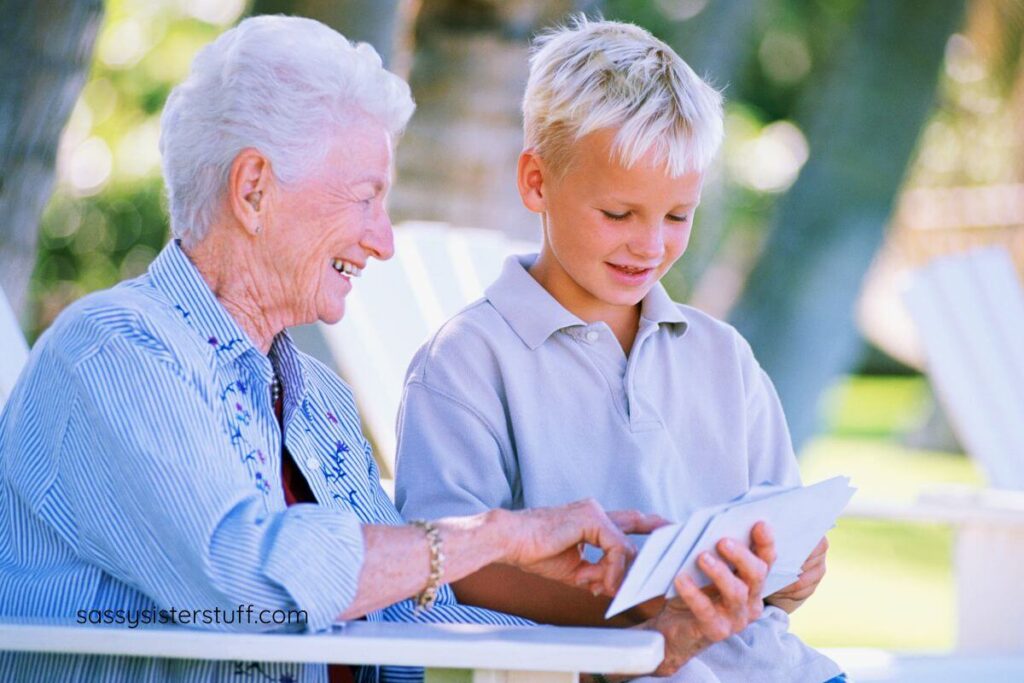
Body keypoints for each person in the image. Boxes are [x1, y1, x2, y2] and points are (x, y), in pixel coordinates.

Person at [0, 16, 691, 683]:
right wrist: (497, 535)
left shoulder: (314, 399)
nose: (384, 240)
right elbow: (253, 582)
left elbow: (403, 614)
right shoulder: (116, 355)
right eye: (366, 199)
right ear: (254, 189)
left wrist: (635, 638)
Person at [395, 16, 840, 683]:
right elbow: (451, 562)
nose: (650, 244)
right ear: (537, 182)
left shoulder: (723, 357)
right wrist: (641, 609)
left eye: (676, 215)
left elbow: (775, 563)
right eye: (619, 214)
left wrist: (790, 574)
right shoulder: (465, 362)